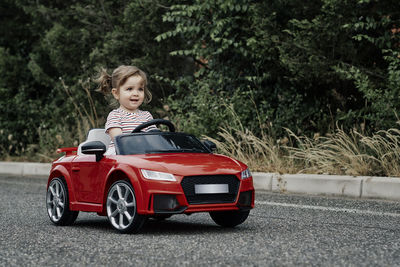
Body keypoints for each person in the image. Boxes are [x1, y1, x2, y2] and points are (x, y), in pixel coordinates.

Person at [97, 65, 156, 153]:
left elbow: (154, 139)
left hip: (143, 154)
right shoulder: (115, 115)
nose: (136, 93)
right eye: (129, 89)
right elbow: (119, 140)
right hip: (121, 155)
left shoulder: (147, 116)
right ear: (116, 93)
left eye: (140, 89)